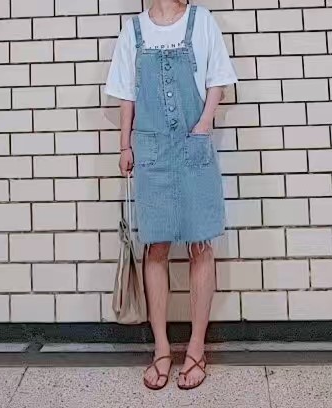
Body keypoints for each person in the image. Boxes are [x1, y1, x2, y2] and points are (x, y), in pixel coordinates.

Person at [105, 0, 238, 391]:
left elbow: (218, 81)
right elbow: (126, 96)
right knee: (156, 248)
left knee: (201, 245)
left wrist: (204, 124)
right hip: (151, 151)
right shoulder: (134, 30)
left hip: (193, 144)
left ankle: (196, 348)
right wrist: (124, 145)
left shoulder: (202, 21)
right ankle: (161, 348)